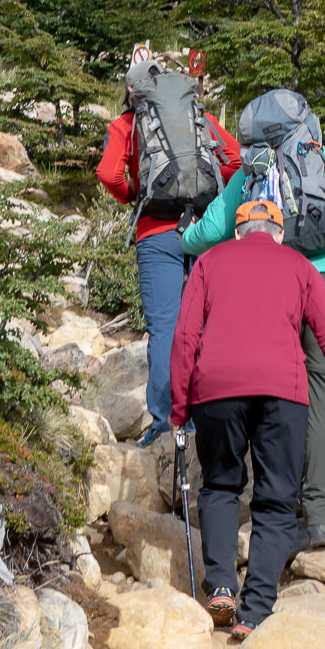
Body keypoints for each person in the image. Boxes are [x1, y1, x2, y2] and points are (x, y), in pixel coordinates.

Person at [181, 97, 325, 548]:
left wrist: (183, 233)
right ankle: (320, 517)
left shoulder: (252, 174)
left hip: (278, 286)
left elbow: (207, 235)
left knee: (283, 392)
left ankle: (282, 508)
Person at [169, 197, 325, 636]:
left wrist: (179, 408)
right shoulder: (301, 267)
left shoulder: (208, 261)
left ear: (238, 231)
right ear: (280, 233)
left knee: (221, 484)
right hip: (284, 392)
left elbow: (185, 336)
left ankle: (221, 585)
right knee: (277, 501)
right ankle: (256, 609)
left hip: (216, 388)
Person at [96, 62, 240, 445]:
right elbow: (237, 160)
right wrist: (210, 199)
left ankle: (165, 422)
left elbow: (108, 174)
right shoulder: (199, 117)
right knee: (204, 326)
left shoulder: (126, 125)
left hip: (157, 234)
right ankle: (207, 413)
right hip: (204, 231)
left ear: (131, 90)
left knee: (165, 328)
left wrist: (136, 199)